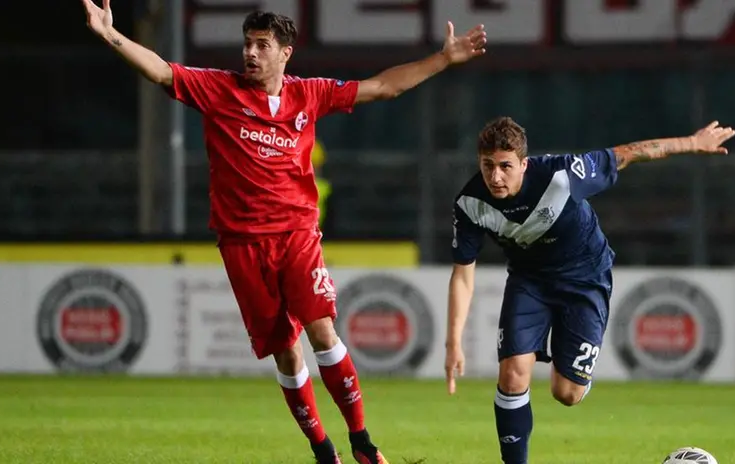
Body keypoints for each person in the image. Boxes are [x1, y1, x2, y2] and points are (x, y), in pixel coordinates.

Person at [80, 1, 487, 463]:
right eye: (247, 44)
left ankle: (362, 442)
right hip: (241, 244)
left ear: (285, 54)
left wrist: (443, 58)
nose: (250, 53)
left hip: (296, 235)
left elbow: (382, 88)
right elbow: (160, 72)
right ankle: (322, 450)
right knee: (286, 355)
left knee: (322, 331)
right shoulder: (218, 89)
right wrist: (111, 35)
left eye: (262, 45)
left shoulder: (308, 95)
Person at [444, 117, 735, 464]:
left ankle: (578, 376)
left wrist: (691, 142)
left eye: (505, 166)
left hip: (585, 278)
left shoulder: (564, 174)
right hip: (529, 280)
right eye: (487, 166)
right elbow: (463, 273)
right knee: (512, 372)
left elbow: (627, 154)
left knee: (566, 393)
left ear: (524, 163)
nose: (495, 177)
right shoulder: (470, 203)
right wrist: (453, 341)